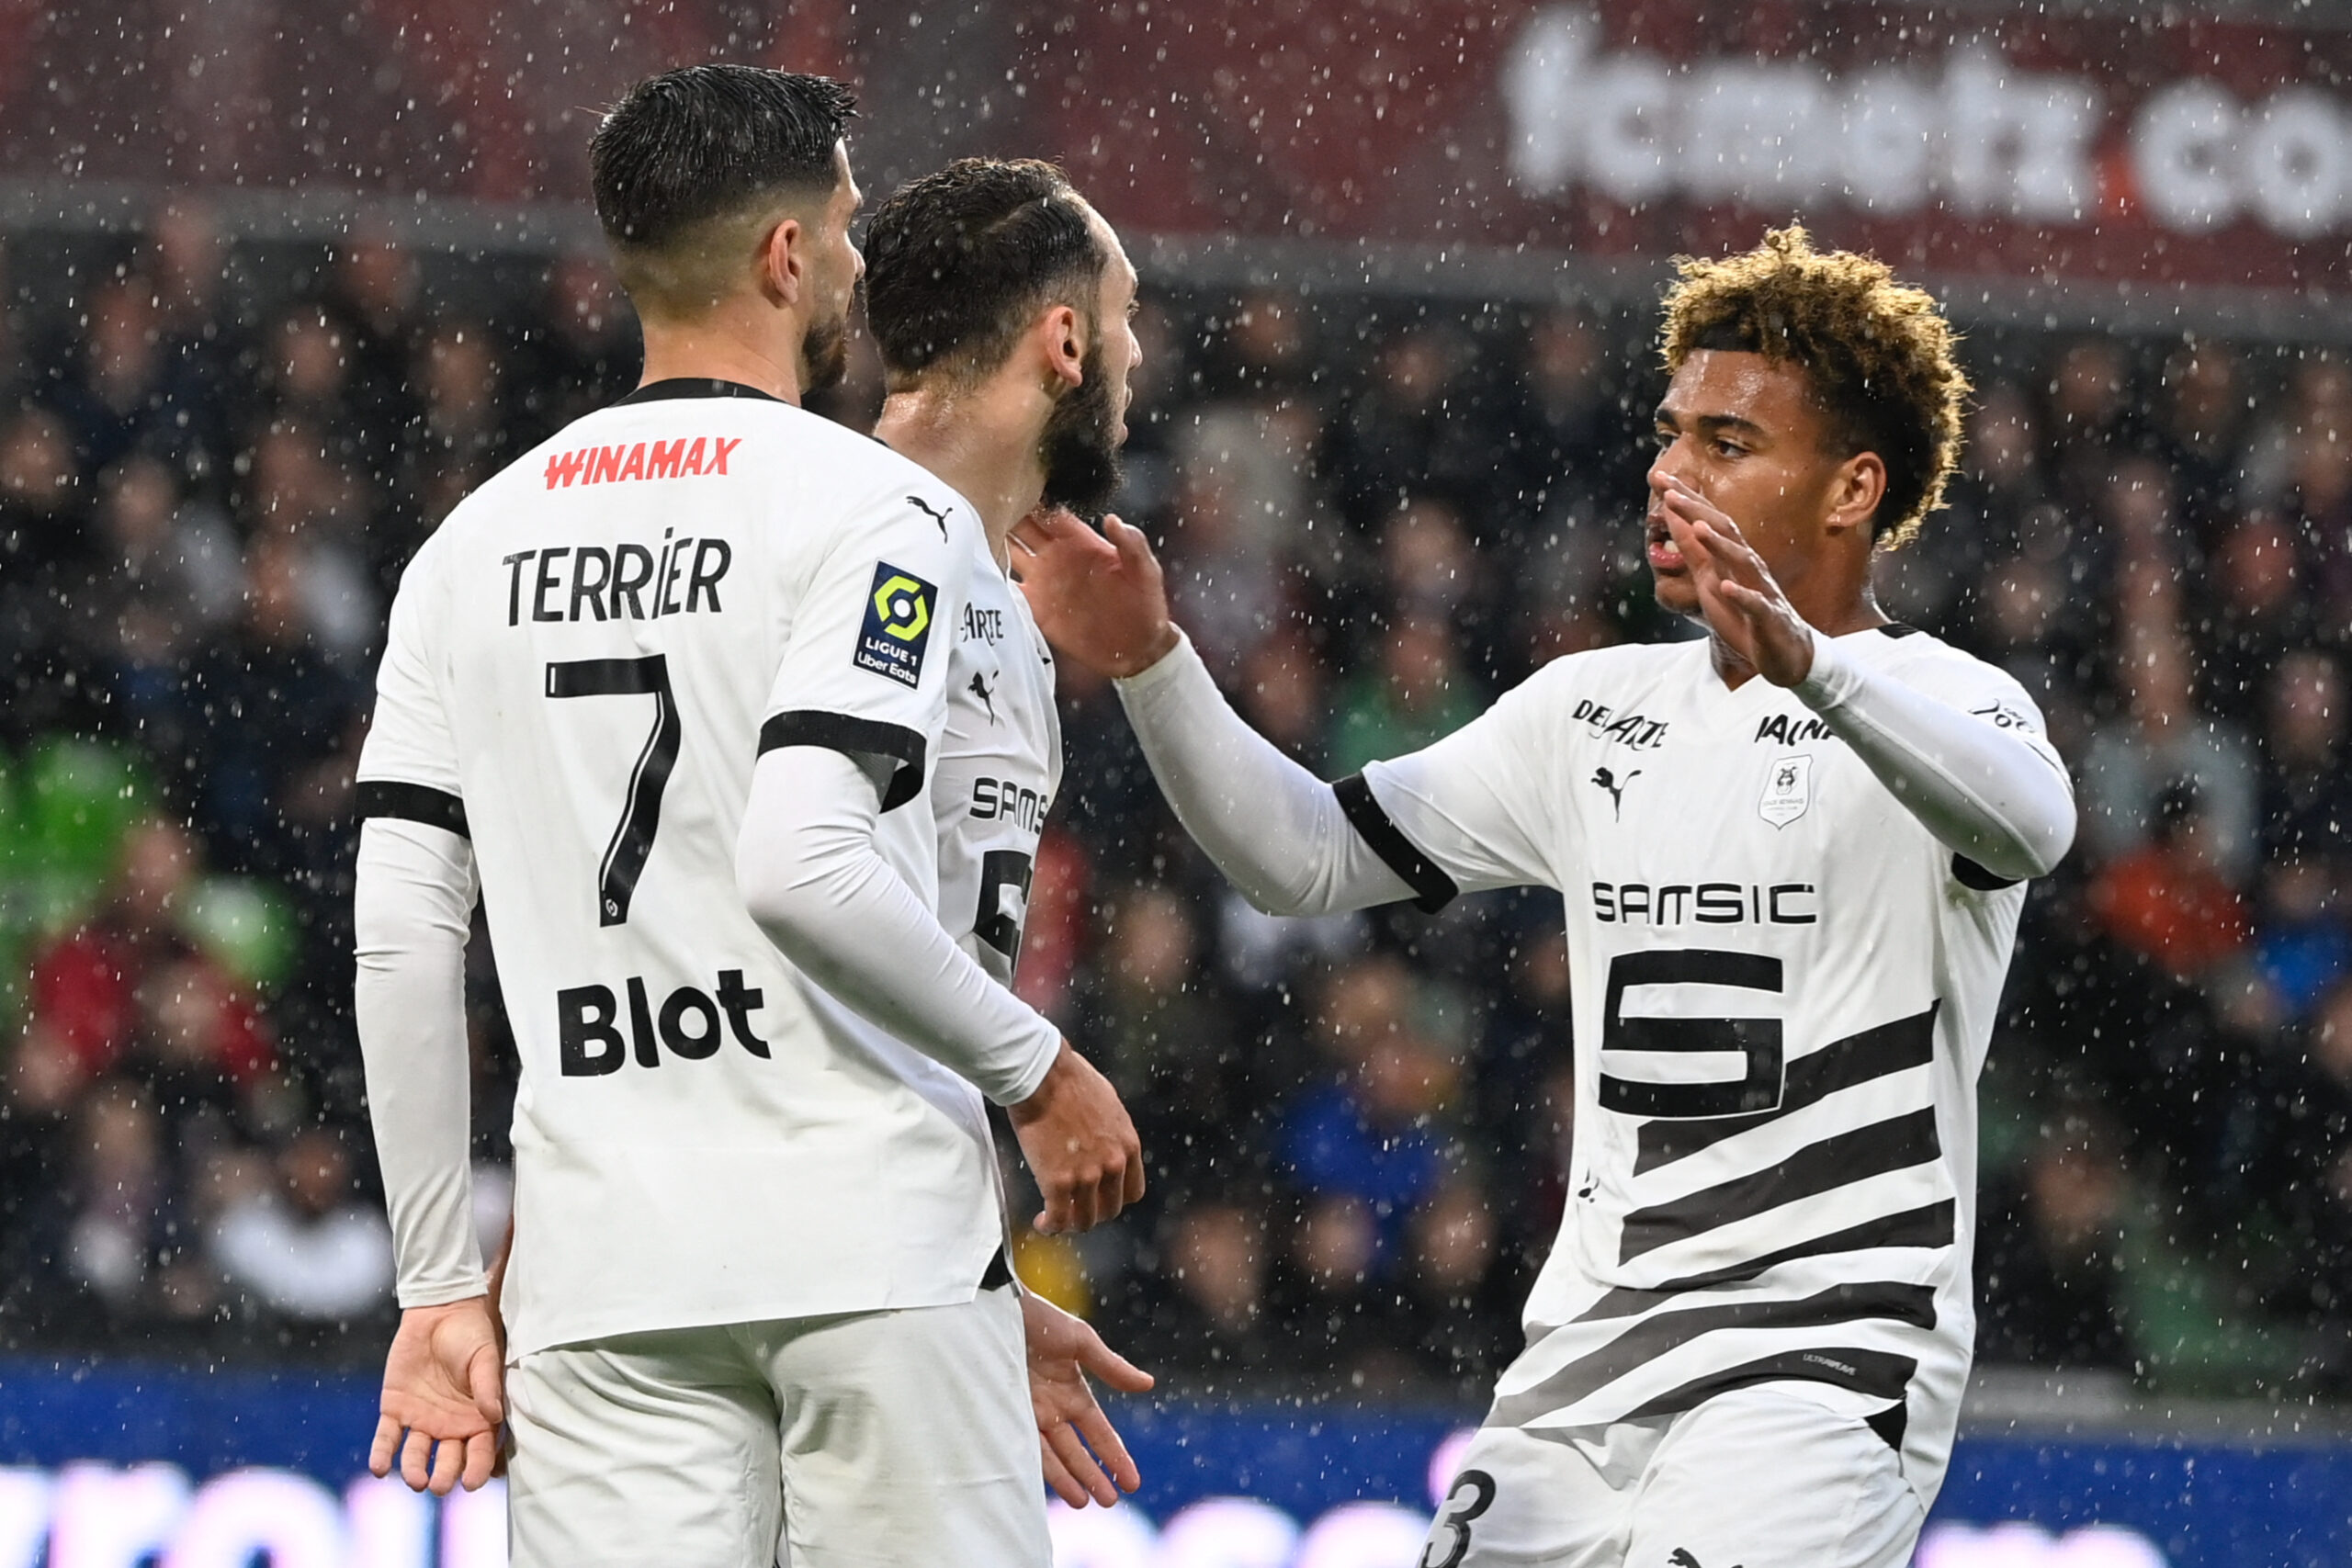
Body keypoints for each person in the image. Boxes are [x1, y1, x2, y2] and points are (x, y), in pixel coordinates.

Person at [1014, 227, 2076, 1568]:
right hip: (1583, 1367)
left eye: (1728, 445)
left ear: (1854, 487)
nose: (1670, 470)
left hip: (1821, 1361)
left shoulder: (1951, 704)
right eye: (1670, 430)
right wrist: (1156, 664)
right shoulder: (1593, 713)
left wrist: (1812, 666)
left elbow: (2034, 826)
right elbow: (1305, 859)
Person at [352, 67, 1140, 1568]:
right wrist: (1039, 1073)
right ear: (786, 257)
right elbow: (806, 861)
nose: (856, 266)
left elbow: (400, 939)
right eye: (845, 230)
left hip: (602, 1276)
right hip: (869, 1247)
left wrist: (441, 1282)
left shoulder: (468, 547)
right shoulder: (878, 517)